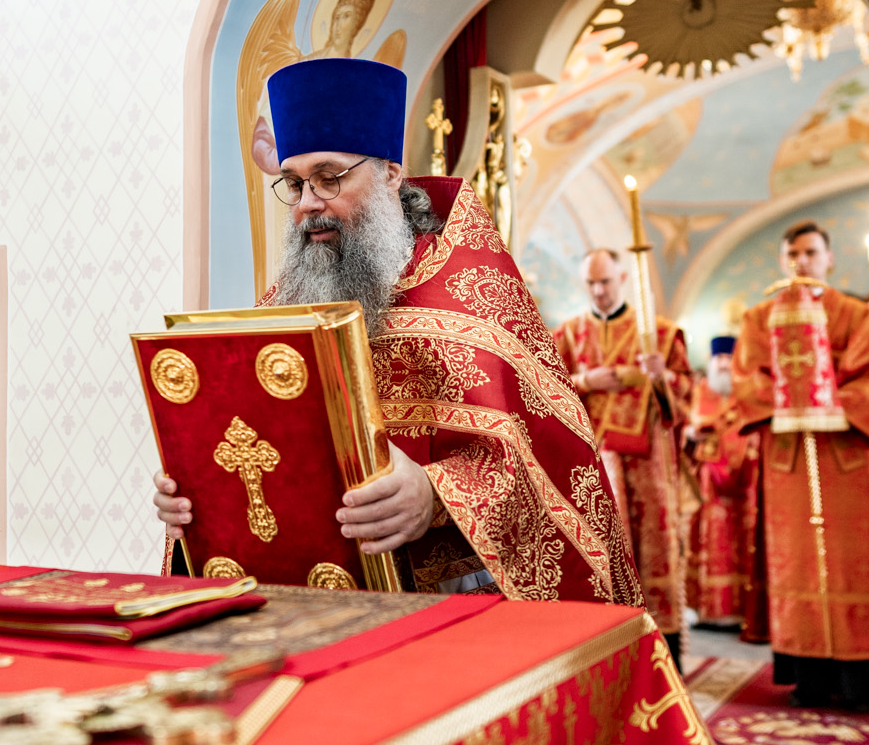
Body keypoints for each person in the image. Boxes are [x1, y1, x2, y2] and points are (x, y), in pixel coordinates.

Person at [154, 57, 644, 606]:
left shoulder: (474, 293)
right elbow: (251, 441)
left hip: (455, 604)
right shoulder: (283, 304)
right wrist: (199, 495)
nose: (309, 203)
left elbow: (546, 457)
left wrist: (435, 498)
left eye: (329, 177)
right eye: (293, 184)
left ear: (390, 173)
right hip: (309, 598)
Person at [731, 222, 869, 712]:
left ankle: (862, 681)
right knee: (795, 562)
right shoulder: (758, 318)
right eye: (793, 253)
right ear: (783, 260)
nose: (802, 261)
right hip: (789, 458)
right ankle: (808, 677)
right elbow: (747, 377)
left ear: (829, 258)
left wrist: (823, 403)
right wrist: (791, 402)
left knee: (854, 562)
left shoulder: (854, 314)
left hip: (843, 454)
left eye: (811, 252)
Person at [551, 248, 692, 664]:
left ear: (623, 279)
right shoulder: (569, 334)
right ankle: (610, 651)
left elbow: (687, 393)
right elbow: (546, 389)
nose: (599, 291)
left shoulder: (661, 334)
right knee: (605, 550)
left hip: (650, 464)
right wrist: (585, 380)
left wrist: (662, 376)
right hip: (594, 463)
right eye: (591, 283)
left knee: (655, 547)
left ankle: (665, 653)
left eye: (606, 281)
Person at [688, 337, 754, 630]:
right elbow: (686, 425)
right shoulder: (699, 391)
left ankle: (742, 610)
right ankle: (707, 609)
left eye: (730, 358)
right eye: (720, 358)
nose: (724, 364)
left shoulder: (748, 392)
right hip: (707, 485)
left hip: (744, 481)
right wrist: (691, 435)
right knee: (709, 540)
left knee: (742, 541)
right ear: (711, 361)